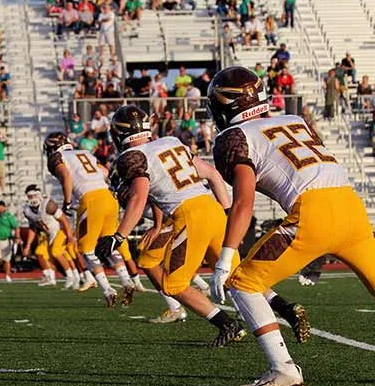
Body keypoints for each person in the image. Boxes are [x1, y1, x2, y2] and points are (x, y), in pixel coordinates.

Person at [207, 66, 375, 386]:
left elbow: (243, 202)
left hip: (313, 213)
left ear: (223, 105)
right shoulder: (295, 120)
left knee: (243, 284)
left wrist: (224, 258)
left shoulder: (234, 137)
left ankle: (283, 368)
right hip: (351, 207)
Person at [97, 106, 246, 346]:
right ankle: (283, 313)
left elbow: (139, 197)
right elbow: (212, 175)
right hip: (213, 208)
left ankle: (227, 324)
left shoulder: (130, 157)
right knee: (238, 276)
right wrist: (229, 213)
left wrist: (119, 236)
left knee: (173, 284)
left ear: (118, 134)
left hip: (188, 216)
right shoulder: (170, 142)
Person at [45, 132, 136, 306]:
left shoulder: (57, 157)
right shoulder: (84, 153)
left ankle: (107, 289)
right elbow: (104, 171)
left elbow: (65, 175)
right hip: (109, 198)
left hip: (91, 200)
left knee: (86, 251)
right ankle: (126, 280)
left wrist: (67, 201)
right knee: (108, 244)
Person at [22, 184, 79, 289]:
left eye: (34, 195)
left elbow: (64, 220)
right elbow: (32, 228)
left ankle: (72, 276)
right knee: (41, 252)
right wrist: (28, 245)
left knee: (56, 252)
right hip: (48, 233)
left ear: (39, 195)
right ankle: (50, 278)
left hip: (60, 230)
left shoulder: (48, 204)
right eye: (30, 197)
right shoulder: (27, 210)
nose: (32, 199)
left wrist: (70, 235)